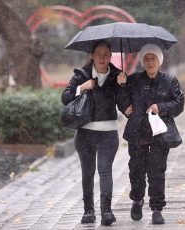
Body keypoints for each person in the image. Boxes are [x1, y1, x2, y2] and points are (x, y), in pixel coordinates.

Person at [61, 40, 128, 226]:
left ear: (110, 56)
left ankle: (107, 211)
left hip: (108, 133)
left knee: (105, 171)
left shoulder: (117, 75)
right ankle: (88, 211)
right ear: (92, 55)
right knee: (87, 172)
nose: (102, 58)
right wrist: (82, 87)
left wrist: (122, 86)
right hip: (85, 133)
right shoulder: (81, 75)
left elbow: (123, 104)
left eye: (106, 54)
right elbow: (65, 97)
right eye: (99, 54)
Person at [120, 44, 184, 225]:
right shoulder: (133, 80)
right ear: (142, 62)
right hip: (137, 132)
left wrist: (161, 107)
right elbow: (122, 102)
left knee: (157, 171)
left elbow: (179, 103)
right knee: (136, 170)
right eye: (146, 59)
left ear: (159, 61)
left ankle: (156, 208)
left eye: (153, 58)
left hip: (159, 135)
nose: (150, 62)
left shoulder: (169, 81)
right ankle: (137, 200)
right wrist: (123, 89)